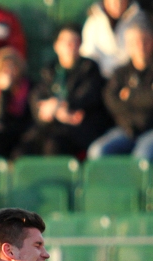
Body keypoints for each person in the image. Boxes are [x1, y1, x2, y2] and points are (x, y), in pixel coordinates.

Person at [14, 24, 111, 157]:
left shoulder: (89, 68)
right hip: (51, 126)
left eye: (74, 41)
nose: (70, 46)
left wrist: (59, 105)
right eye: (65, 41)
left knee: (54, 145)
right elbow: (38, 98)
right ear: (56, 46)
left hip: (80, 129)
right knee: (23, 150)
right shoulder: (49, 70)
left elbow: (88, 96)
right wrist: (55, 111)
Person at [88, 20, 153, 161]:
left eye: (144, 41)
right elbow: (111, 101)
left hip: (150, 131)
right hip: (126, 129)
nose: (140, 46)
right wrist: (144, 96)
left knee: (141, 157)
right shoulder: (120, 73)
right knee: (97, 152)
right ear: (128, 45)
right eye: (134, 42)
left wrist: (129, 96)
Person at [80, 0, 147, 78]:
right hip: (99, 78)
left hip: (130, 76)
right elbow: (88, 52)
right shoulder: (94, 21)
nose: (118, 5)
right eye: (114, 2)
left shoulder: (139, 20)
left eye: (121, 1)